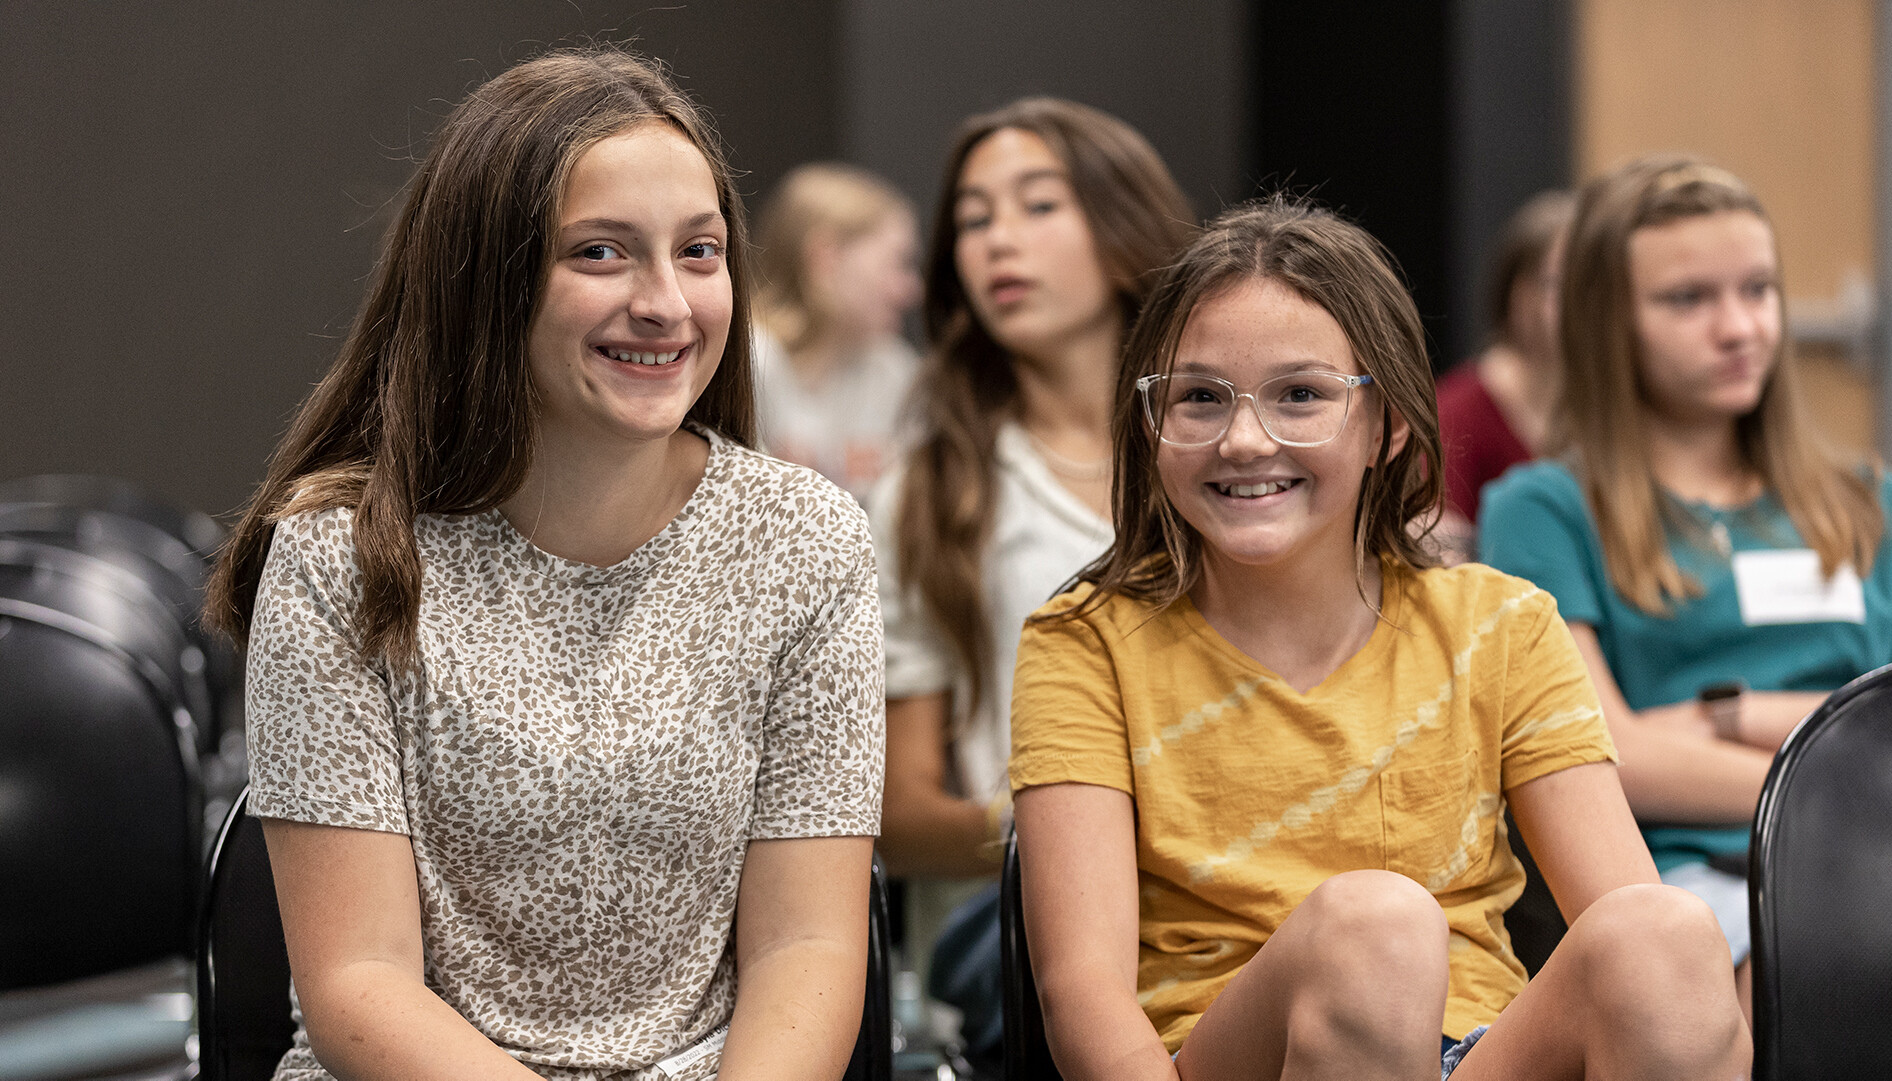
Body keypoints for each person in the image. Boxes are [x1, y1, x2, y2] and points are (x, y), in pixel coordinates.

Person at [202, 48, 884, 1081]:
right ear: (485, 278)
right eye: (601, 254)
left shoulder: (807, 540)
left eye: (698, 252)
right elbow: (358, 988)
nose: (666, 303)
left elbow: (809, 947)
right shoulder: (333, 558)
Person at [1010, 196, 1749, 1080]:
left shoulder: (1499, 622)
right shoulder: (1083, 641)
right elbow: (1082, 995)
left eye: (1300, 395)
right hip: (1223, 1058)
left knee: (1666, 930)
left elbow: (1621, 921)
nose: (1245, 439)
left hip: (1474, 1052)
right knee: (1376, 926)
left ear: (1388, 425)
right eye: (1199, 397)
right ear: (1148, 422)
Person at [1479, 154, 1892, 1017]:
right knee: (1803, 954)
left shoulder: (1885, 509)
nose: (1738, 327)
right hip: (1679, 884)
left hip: (1887, 856)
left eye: (1757, 290)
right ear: (1610, 322)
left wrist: (1730, 713)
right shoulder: (1543, 507)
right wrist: (1835, 754)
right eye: (1688, 299)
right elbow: (1609, 755)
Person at [867, 97, 1192, 1055]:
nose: (998, 241)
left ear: (1125, 222)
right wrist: (1090, 833)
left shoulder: (1233, 453)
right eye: (972, 219)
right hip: (1004, 913)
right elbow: (899, 809)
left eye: (1036, 205)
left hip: (1243, 874)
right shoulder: (929, 494)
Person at [753, 162, 923, 504]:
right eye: (898, 263)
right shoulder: (746, 363)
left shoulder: (894, 371)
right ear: (826, 258)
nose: (913, 289)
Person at [1432, 190, 1573, 560]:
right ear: (1516, 294)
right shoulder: (1458, 409)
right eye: (1560, 283)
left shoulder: (1617, 404)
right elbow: (1436, 547)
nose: (1583, 302)